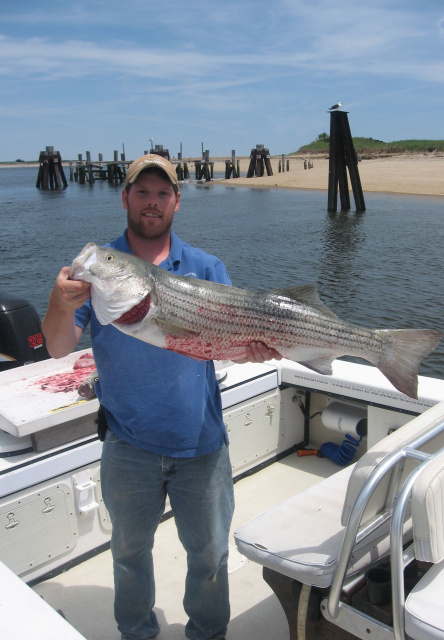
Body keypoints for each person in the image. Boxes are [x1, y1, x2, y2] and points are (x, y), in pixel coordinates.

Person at [42, 154, 281, 640]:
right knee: (129, 555)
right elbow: (58, 346)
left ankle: (208, 634)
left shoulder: (205, 267)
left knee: (211, 556)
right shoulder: (99, 268)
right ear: (126, 197)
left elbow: (232, 342)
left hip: (201, 442)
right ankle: (136, 633)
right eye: (142, 192)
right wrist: (57, 303)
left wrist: (252, 347)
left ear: (176, 201)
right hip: (127, 445)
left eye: (162, 193)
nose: (152, 202)